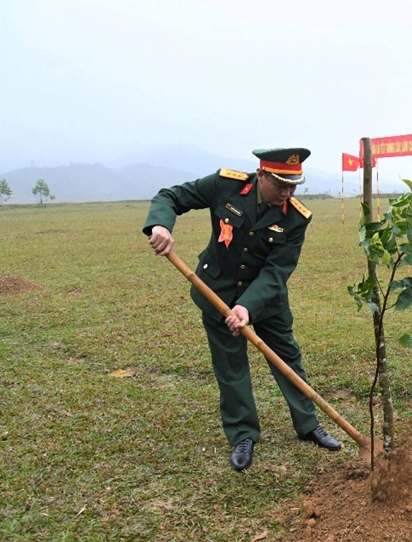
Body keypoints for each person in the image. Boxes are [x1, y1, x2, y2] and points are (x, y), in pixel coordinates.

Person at [143, 148, 341, 471]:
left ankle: (308, 425)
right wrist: (160, 226)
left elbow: (276, 271)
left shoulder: (296, 217)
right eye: (280, 185)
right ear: (261, 175)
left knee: (288, 357)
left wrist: (247, 307)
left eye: (294, 186)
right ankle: (243, 435)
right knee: (231, 365)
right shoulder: (226, 185)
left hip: (266, 301)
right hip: (217, 291)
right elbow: (170, 197)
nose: (287, 194)